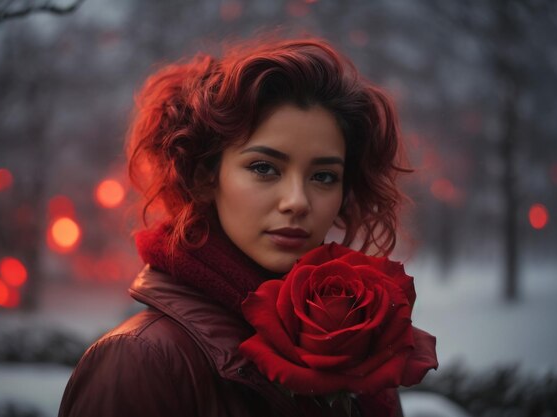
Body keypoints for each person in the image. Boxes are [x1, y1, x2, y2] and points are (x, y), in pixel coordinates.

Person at [58, 37, 408, 417]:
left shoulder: (356, 344)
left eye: (323, 176)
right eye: (264, 168)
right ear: (207, 176)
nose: (297, 201)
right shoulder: (142, 360)